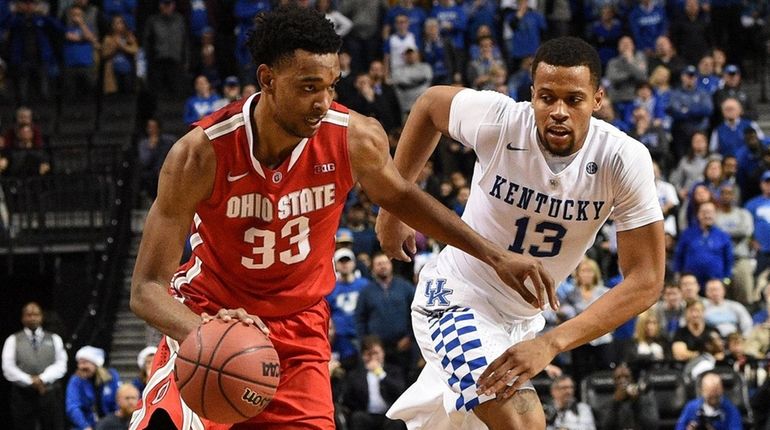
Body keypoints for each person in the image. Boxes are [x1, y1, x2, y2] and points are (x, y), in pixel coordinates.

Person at [129, 6, 554, 430]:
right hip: (214, 315)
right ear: (266, 79)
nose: (323, 103)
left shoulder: (354, 137)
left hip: (300, 331)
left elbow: (402, 196)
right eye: (309, 87)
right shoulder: (199, 153)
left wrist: (496, 256)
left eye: (332, 86)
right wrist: (204, 333)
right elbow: (147, 288)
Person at [378, 36, 665, 429]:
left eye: (574, 100)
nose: (558, 111)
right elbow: (429, 105)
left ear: (597, 99)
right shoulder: (501, 120)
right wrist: (391, 209)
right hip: (457, 297)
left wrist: (552, 342)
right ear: (532, 95)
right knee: (524, 422)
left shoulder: (622, 159)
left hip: (524, 325)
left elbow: (647, 279)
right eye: (547, 98)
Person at [1, 302, 67, 430]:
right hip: (23, 395)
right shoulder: (13, 339)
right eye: (29, 315)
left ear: (41, 317)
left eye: (36, 314)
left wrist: (42, 378)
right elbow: (8, 367)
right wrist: (30, 381)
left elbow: (61, 364)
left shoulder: (54, 339)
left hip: (49, 393)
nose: (32, 318)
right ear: (23, 318)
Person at [341, 335, 407, 430]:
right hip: (367, 415)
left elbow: (400, 391)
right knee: (357, 417)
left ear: (383, 352)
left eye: (376, 353)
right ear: (363, 356)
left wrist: (381, 374)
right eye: (368, 354)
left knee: (397, 420)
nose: (373, 357)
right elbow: (349, 399)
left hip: (389, 415)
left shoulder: (394, 370)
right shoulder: (356, 375)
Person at [66, 345, 121, 430]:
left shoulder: (112, 376)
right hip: (86, 424)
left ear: (95, 363)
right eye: (79, 363)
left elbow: (119, 401)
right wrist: (85, 426)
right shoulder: (76, 380)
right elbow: (73, 406)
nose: (81, 367)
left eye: (85, 363)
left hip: (110, 423)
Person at [676, 372, 743, 430]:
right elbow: (679, 427)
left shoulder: (730, 410)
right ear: (702, 391)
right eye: (710, 397)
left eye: (716, 396)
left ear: (722, 390)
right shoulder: (691, 407)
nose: (713, 400)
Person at [600, 363, 659, 429]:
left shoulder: (646, 398)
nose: (622, 380)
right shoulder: (608, 402)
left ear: (632, 379)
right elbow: (605, 426)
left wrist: (637, 401)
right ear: (614, 381)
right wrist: (615, 402)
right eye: (618, 378)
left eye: (626, 377)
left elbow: (653, 426)